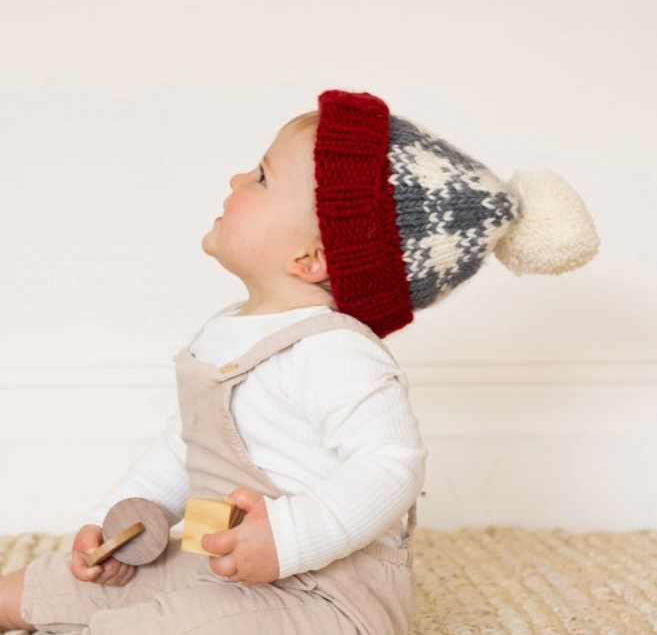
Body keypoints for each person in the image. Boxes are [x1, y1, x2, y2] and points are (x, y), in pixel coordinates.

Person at [0, 89, 599, 635]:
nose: (237, 177)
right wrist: (115, 522)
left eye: (261, 177)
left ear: (311, 257)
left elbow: (391, 464)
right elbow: (185, 448)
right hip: (220, 566)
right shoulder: (227, 330)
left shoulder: (335, 349)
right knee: (45, 589)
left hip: (319, 601)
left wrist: (287, 540)